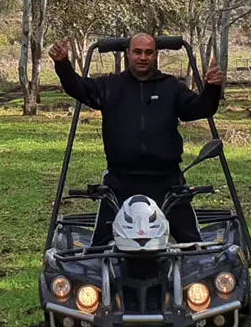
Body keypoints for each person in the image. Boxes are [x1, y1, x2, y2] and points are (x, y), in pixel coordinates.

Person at [48, 33, 224, 245]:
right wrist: (62, 64)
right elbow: (77, 87)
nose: (143, 57)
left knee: (194, 247)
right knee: (98, 249)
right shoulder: (110, 86)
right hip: (120, 182)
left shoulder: (171, 87)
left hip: (167, 181)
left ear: (155, 55)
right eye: (138, 52)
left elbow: (201, 108)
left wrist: (213, 87)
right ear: (128, 54)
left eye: (148, 52)